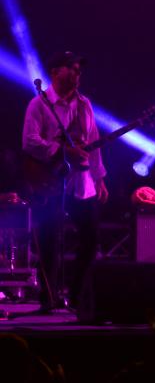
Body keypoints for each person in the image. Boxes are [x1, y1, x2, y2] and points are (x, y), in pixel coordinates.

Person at [21, 51, 109, 311]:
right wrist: (62, 151)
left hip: (82, 182)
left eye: (79, 68)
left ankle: (77, 295)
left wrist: (99, 178)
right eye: (71, 67)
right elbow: (29, 141)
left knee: (90, 239)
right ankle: (48, 298)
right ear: (55, 72)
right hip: (50, 182)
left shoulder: (85, 104)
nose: (77, 72)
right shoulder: (39, 104)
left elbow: (93, 141)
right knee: (49, 240)